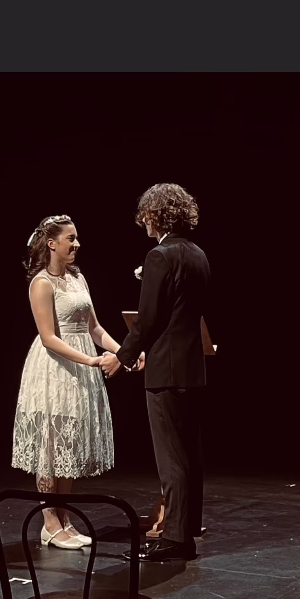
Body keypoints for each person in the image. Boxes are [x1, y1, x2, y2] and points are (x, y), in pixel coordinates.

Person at [101, 183, 210, 562]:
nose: (142, 221)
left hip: (166, 369)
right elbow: (179, 307)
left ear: (156, 215)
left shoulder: (159, 255)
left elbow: (148, 319)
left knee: (171, 459)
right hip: (192, 368)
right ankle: (187, 529)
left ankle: (175, 540)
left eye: (146, 214)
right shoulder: (197, 254)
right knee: (189, 455)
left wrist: (122, 357)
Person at [12, 215, 123, 547]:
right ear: (52, 243)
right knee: (51, 444)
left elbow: (94, 328)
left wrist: (124, 352)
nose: (76, 244)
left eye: (76, 238)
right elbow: (48, 337)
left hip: (79, 367)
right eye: (70, 238)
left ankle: (65, 518)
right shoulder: (42, 283)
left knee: (68, 444)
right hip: (54, 369)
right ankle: (49, 522)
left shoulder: (77, 278)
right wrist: (91, 360)